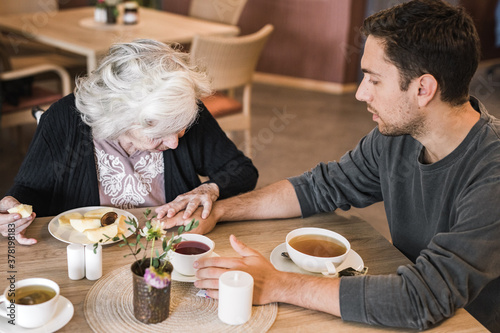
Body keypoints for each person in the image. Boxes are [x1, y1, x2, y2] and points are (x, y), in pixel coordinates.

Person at [157, 0, 500, 331]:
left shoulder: (492, 172)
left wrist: (278, 285)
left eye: (374, 79)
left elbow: (421, 298)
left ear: (423, 88)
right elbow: (321, 186)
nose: (361, 93)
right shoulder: (396, 138)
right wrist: (220, 210)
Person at [0, 39, 258, 246]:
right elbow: (31, 190)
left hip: (168, 249)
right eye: (160, 131)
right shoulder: (63, 119)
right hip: (86, 255)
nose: (174, 142)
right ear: (119, 118)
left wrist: (208, 189)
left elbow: (242, 171)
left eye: (180, 129)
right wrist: (13, 210)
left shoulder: (181, 109)